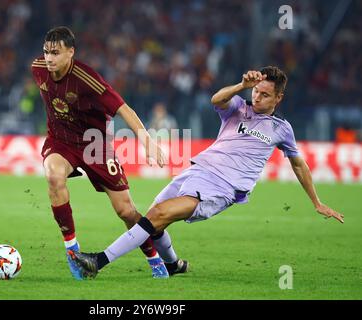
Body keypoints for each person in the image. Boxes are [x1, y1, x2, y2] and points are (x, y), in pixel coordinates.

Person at [69, 66, 345, 279]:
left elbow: (298, 164)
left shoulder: (282, 129)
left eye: (264, 94)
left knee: (158, 216)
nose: (257, 97)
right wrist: (241, 85)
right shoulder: (239, 107)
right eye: (256, 91)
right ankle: (173, 265)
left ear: (279, 98)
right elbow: (217, 98)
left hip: (223, 188)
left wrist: (316, 202)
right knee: (151, 224)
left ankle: (98, 262)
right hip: (197, 170)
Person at [31, 26, 188, 280]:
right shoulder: (38, 69)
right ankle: (72, 250)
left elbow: (124, 109)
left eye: (56, 53)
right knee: (53, 175)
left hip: (96, 145)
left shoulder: (87, 79)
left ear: (71, 52)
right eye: (46, 51)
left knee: (126, 211)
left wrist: (146, 140)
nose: (49, 58)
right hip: (61, 141)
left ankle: (154, 258)